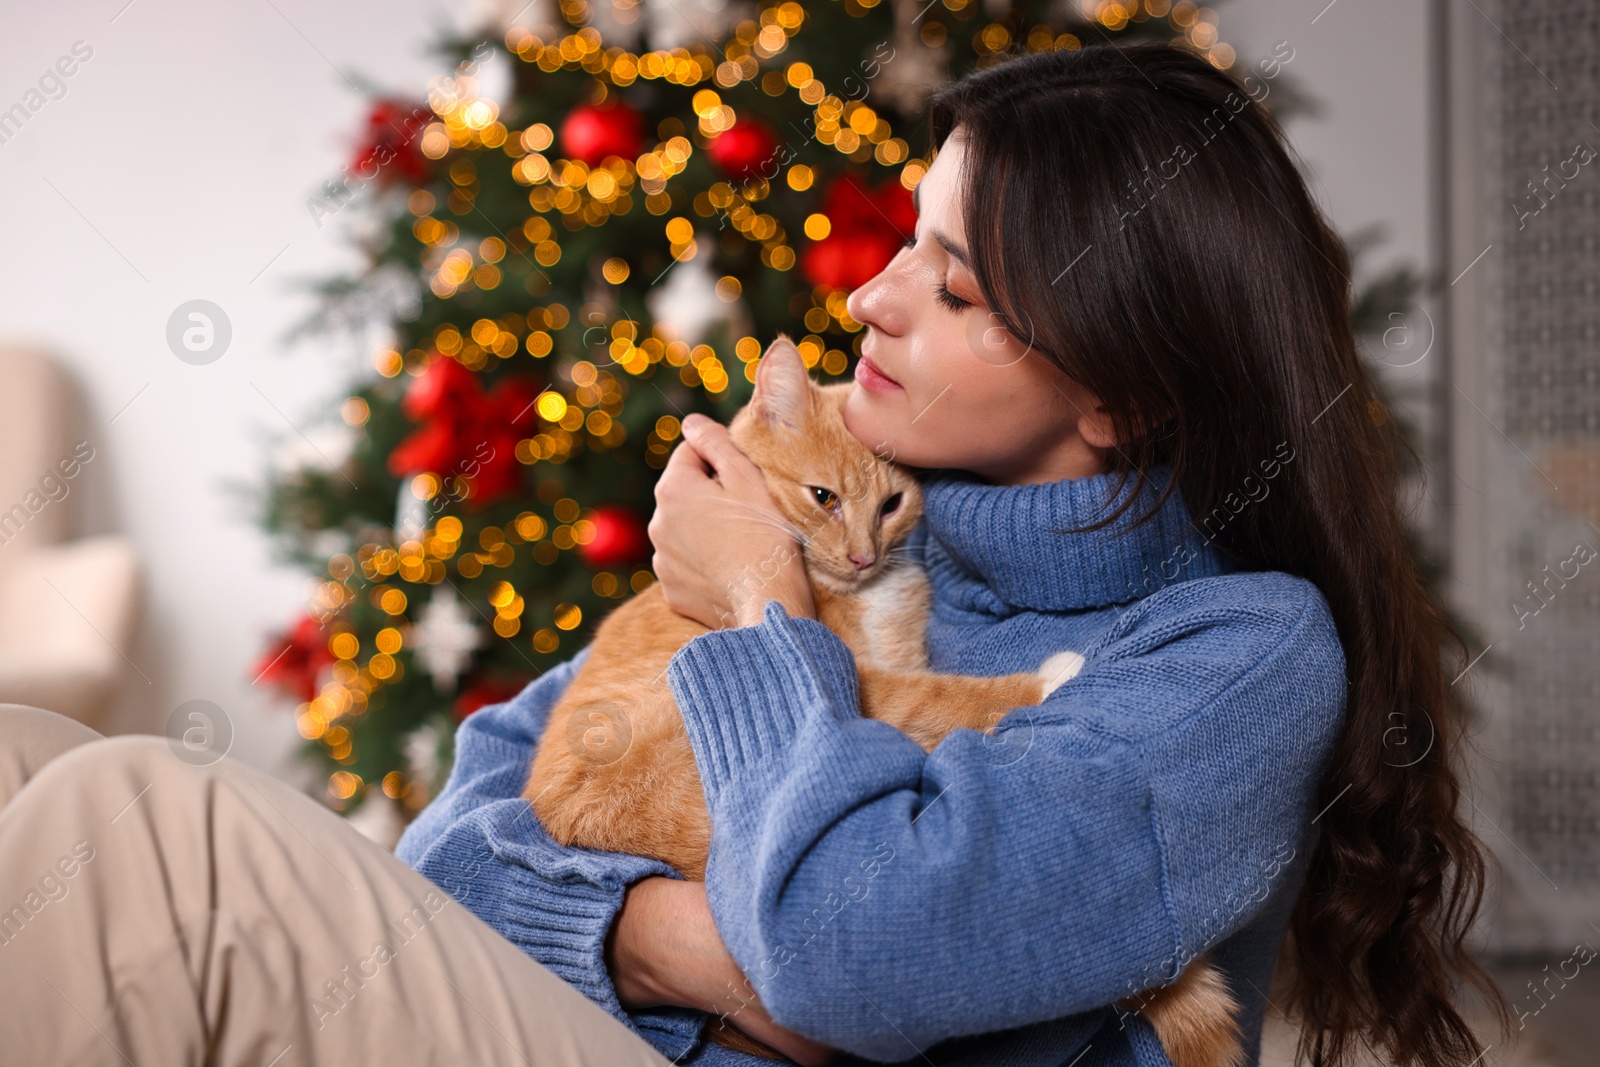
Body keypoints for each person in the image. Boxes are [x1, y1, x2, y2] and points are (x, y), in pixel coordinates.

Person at [0, 39, 1504, 1067]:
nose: (874, 301)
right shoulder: (843, 496)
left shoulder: (1232, 655)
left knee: (143, 832)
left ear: (1123, 395)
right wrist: (675, 952)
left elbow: (856, 956)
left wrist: (760, 601)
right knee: (21, 761)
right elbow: (460, 839)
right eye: (909, 241)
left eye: (957, 287)